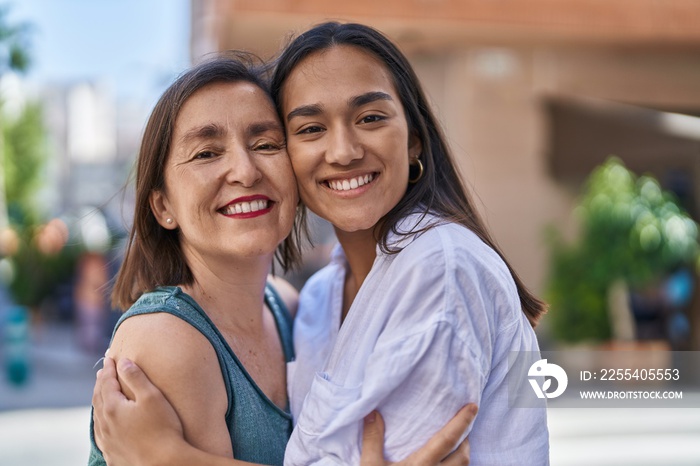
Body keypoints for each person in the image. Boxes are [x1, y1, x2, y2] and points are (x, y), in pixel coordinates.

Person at [94, 21, 550, 465]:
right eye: (207, 153)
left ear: (414, 141)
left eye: (265, 143)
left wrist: (170, 459)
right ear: (161, 207)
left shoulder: (425, 270)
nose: (246, 171)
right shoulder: (300, 308)